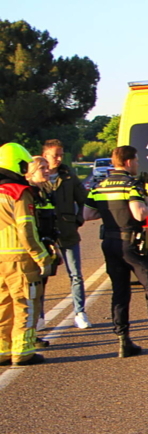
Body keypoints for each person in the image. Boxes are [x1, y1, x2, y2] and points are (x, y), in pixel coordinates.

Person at [83, 145, 148, 358]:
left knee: (120, 291)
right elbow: (139, 214)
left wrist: (110, 212)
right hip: (132, 243)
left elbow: (88, 214)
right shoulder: (132, 185)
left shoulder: (99, 185)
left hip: (110, 243)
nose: (137, 164)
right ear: (128, 162)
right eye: (136, 160)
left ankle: (123, 341)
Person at [0, 143, 53, 366]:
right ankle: (23, 351)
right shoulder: (19, 193)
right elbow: (26, 229)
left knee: (3, 306)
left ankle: (3, 350)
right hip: (20, 259)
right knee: (25, 304)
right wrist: (42, 257)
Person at [41, 139, 90, 329]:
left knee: (75, 274)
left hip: (68, 231)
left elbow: (84, 200)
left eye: (61, 155)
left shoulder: (69, 177)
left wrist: (78, 220)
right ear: (45, 156)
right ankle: (40, 316)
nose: (59, 159)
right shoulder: (37, 177)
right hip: (45, 235)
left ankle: (80, 312)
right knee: (42, 276)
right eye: (55, 155)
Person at [25, 156, 59, 345]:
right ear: (30, 172)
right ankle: (27, 336)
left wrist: (55, 246)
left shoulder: (45, 192)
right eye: (42, 168)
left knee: (38, 293)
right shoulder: (26, 193)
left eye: (47, 167)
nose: (47, 170)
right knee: (28, 296)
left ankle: (33, 332)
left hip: (46, 248)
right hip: (32, 252)